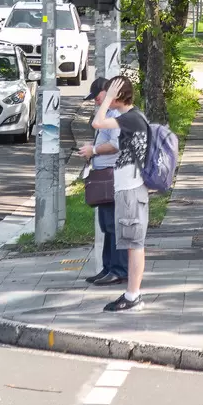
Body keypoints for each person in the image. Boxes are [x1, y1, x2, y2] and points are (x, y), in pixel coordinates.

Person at [91, 74, 150, 312]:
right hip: (129, 188)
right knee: (131, 242)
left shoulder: (131, 119)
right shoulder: (131, 118)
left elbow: (98, 122)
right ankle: (132, 293)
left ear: (118, 95)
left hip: (131, 189)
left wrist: (107, 99)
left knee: (134, 243)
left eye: (111, 93)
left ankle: (133, 296)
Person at [79, 77, 128, 288]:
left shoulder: (115, 114)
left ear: (106, 92)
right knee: (107, 225)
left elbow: (117, 144)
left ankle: (119, 270)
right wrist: (93, 147)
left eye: (97, 97)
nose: (96, 102)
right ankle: (109, 268)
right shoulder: (108, 114)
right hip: (105, 175)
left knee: (114, 225)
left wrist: (95, 150)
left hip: (112, 175)